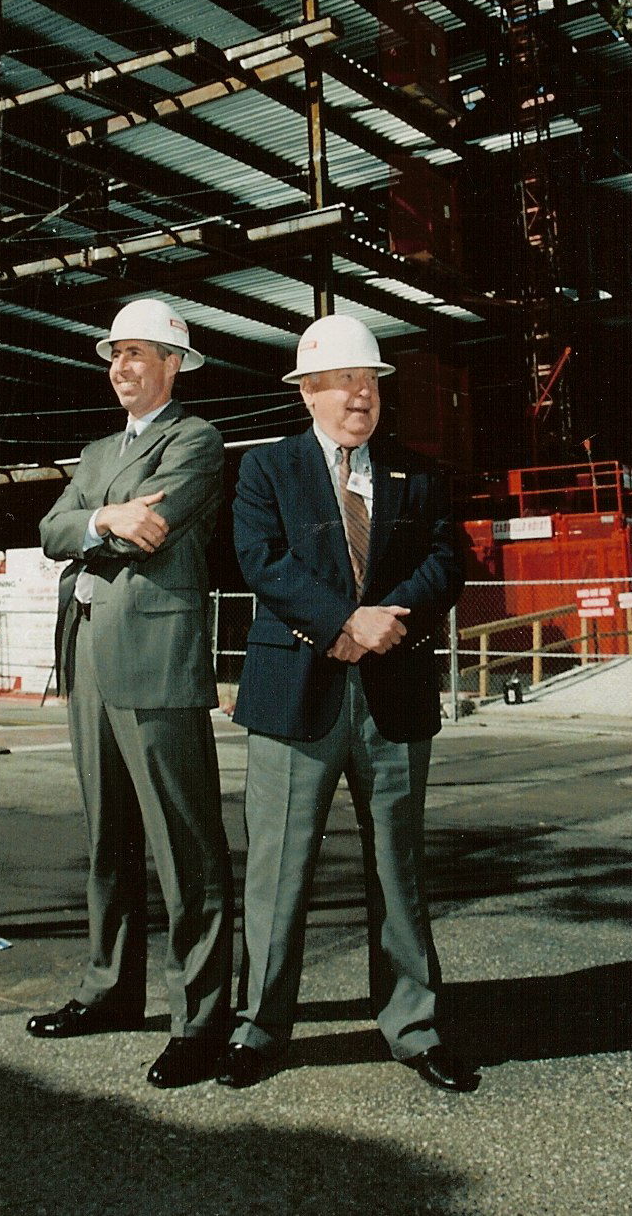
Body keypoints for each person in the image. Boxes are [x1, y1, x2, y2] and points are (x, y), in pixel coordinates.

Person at [215, 313, 477, 1093]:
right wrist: (341, 621)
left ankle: (414, 1027)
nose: (360, 395)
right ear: (309, 393)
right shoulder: (267, 470)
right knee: (278, 871)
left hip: (391, 699)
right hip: (295, 695)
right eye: (342, 381)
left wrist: (382, 622)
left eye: (369, 381)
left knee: (399, 868)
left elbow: (444, 560)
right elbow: (259, 559)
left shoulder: (417, 474)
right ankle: (259, 1028)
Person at [27, 297, 233, 1088]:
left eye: (139, 354)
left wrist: (95, 520)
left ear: (174, 365)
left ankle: (202, 1020)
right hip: (86, 658)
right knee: (107, 838)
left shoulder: (198, 440)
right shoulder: (94, 449)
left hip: (154, 656)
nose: (121, 367)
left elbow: (157, 526)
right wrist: (102, 514)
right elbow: (52, 529)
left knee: (186, 847)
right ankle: (111, 990)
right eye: (115, 355)